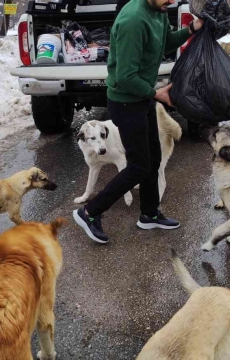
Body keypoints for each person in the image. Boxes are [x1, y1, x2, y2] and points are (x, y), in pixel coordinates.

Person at [73, 0, 203, 243]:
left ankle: (149, 214)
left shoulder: (159, 10)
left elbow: (165, 43)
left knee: (153, 158)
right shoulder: (133, 20)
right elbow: (124, 77)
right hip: (125, 102)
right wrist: (156, 93)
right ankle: (89, 212)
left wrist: (192, 29)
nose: (172, 1)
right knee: (138, 165)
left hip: (141, 98)